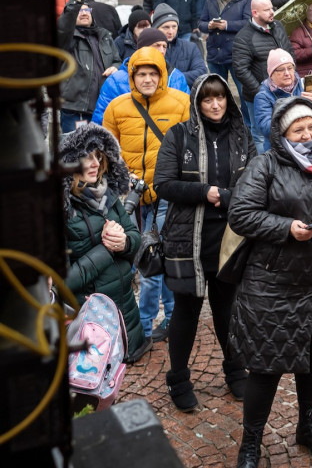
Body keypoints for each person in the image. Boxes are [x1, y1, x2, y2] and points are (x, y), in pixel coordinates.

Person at [227, 97, 312, 466]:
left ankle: (308, 425)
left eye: (311, 126)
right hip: (272, 283)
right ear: (282, 133)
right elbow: (240, 213)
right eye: (297, 128)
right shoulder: (265, 165)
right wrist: (286, 228)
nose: (306, 134)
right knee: (266, 365)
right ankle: (251, 442)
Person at [154, 74, 255, 411]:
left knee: (227, 307)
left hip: (229, 238)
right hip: (187, 239)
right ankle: (178, 379)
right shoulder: (179, 135)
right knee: (187, 310)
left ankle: (235, 369)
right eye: (207, 99)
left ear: (228, 99)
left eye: (220, 97)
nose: (215, 105)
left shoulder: (241, 135)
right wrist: (204, 192)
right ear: (197, 103)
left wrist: (225, 198)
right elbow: (163, 184)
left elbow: (255, 183)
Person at [102, 47, 190, 347]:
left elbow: (190, 148)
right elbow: (107, 152)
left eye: (153, 73)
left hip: (168, 194)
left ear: (162, 74)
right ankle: (165, 319)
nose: (148, 79)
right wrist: (123, 178)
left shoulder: (181, 103)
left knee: (153, 258)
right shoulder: (116, 107)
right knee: (152, 258)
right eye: (142, 74)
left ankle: (148, 325)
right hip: (132, 196)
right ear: (132, 76)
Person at [61, 124, 146, 363]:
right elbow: (62, 282)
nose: (95, 164)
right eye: (86, 157)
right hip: (91, 325)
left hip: (126, 315)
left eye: (98, 156)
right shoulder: (60, 212)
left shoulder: (107, 193)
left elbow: (134, 237)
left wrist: (124, 242)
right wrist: (106, 249)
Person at [232, 0, 294, 152]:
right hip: (257, 96)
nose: (272, 12)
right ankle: (265, 163)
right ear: (255, 13)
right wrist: (261, 91)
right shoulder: (244, 37)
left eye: (272, 8)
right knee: (260, 134)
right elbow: (241, 70)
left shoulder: (278, 26)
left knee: (287, 128)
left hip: (285, 91)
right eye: (267, 10)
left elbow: (289, 52)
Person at [92, 28, 190, 126]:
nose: (162, 51)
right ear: (142, 48)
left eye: (164, 46)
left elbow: (187, 117)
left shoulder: (177, 77)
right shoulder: (116, 81)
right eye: (157, 45)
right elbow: (102, 120)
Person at [57, 0, 121, 133]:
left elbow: (117, 60)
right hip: (76, 110)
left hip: (102, 107)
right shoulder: (67, 39)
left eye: (87, 10)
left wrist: (115, 67)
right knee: (76, 145)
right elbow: (63, 27)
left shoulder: (104, 36)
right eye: (79, 11)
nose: (84, 13)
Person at [254, 49, 312, 154]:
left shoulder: (305, 85)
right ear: (271, 73)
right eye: (281, 69)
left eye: (290, 68)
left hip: (311, 148)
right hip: (281, 152)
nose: (287, 73)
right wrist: (294, 119)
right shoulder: (263, 96)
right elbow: (265, 129)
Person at [198, 0, 252, 94]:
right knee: (218, 92)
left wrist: (227, 25)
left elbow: (248, 23)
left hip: (236, 54)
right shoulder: (211, 0)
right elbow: (201, 23)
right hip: (214, 54)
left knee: (243, 93)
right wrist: (209, 26)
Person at [151, 3, 209, 86]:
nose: (171, 31)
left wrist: (172, 78)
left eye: (174, 26)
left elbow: (201, 72)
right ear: (156, 28)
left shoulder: (190, 47)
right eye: (166, 27)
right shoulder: (148, 48)